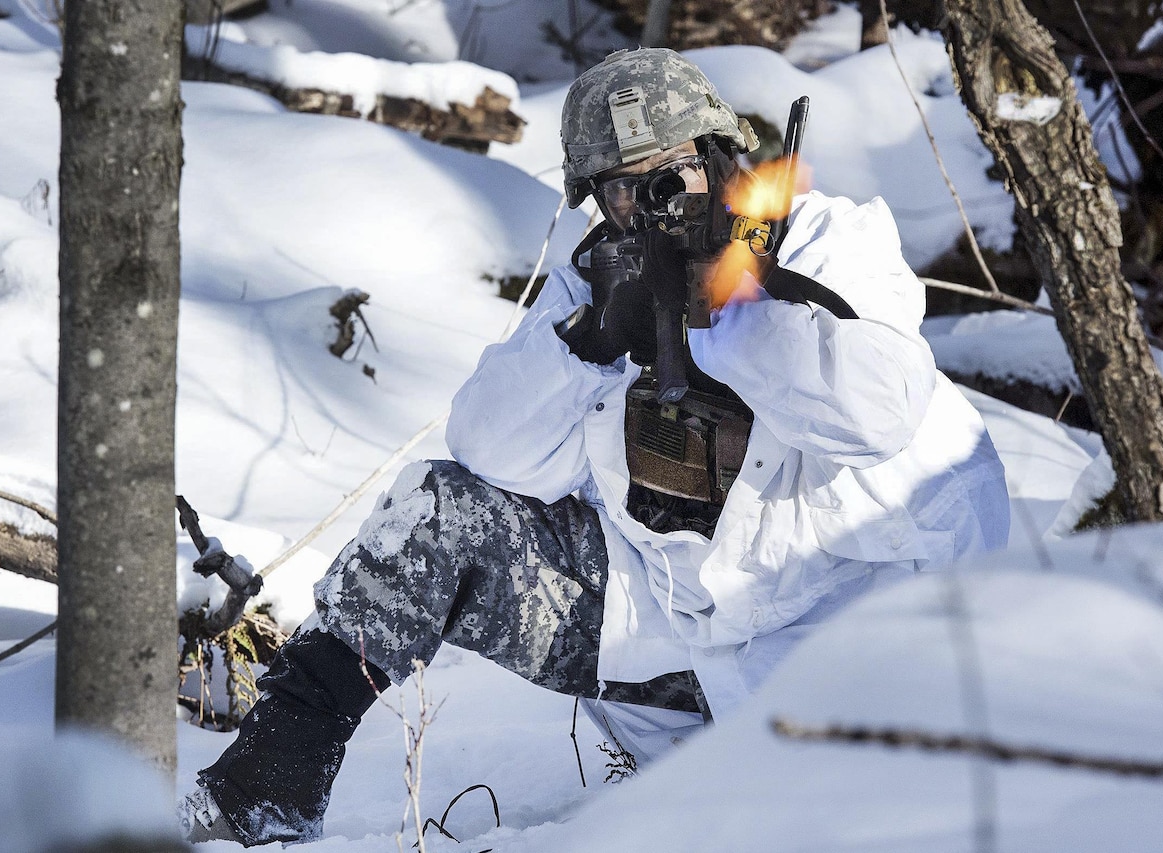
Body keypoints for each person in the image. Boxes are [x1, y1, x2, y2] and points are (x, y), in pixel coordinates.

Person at [179, 47, 1010, 846]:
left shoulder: (827, 242)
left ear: (722, 156)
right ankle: (261, 793)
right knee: (432, 510)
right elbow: (489, 448)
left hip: (853, 669)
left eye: (673, 172)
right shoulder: (599, 278)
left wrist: (733, 309)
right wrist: (590, 340)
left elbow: (877, 412)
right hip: (669, 659)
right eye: (623, 189)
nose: (654, 202)